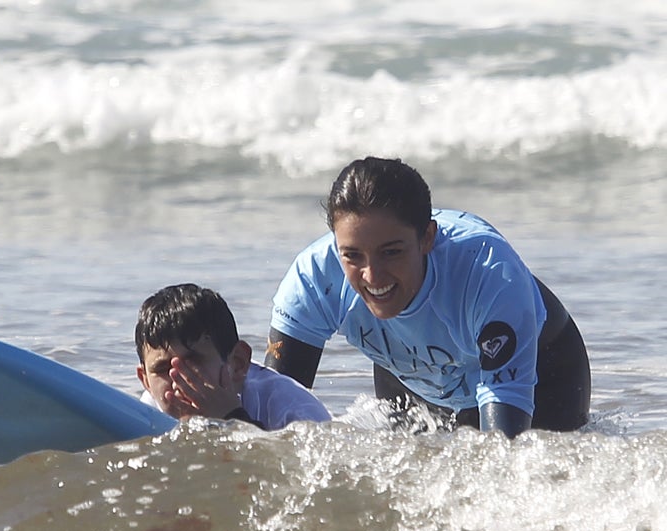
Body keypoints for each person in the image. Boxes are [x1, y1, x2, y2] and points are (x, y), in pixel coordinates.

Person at [265, 156, 590, 437]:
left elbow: (502, 454)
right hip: (410, 372)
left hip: (543, 371)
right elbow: (269, 418)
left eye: (391, 252)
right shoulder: (313, 277)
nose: (372, 276)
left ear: (427, 238)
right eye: (352, 256)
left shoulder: (490, 274)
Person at [136, 283, 331, 430]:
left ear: (237, 363)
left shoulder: (296, 411)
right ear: (145, 380)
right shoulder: (146, 410)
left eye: (193, 362)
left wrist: (231, 416)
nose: (179, 379)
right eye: (162, 369)